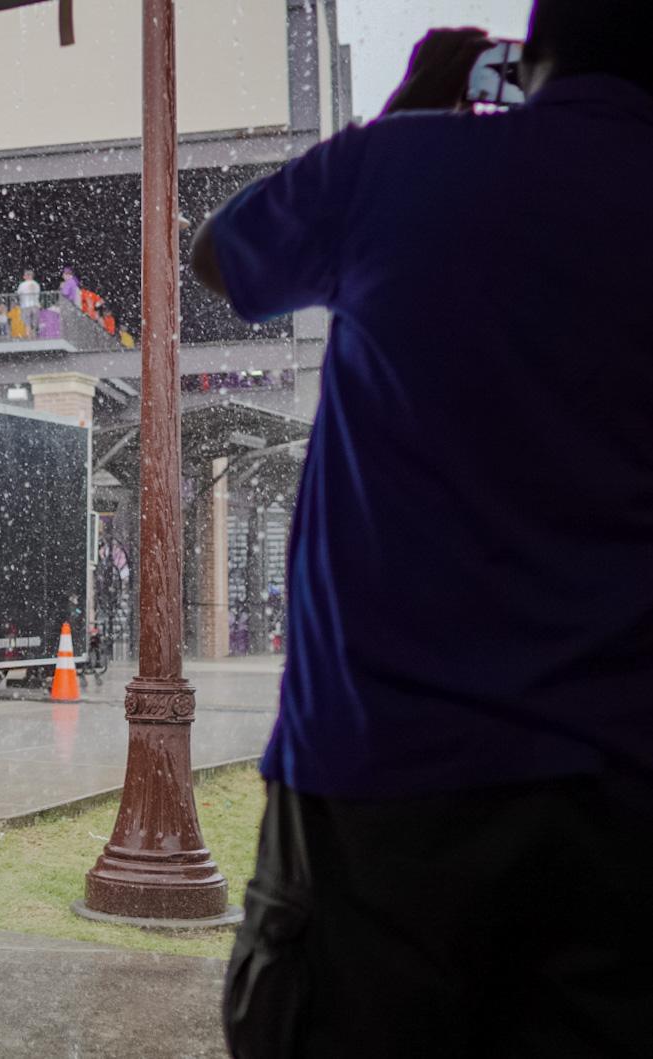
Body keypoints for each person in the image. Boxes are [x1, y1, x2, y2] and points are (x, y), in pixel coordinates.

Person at [191, 2, 653, 1055]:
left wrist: (404, 114)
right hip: (626, 804)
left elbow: (222, 258)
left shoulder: (406, 166)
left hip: (378, 786)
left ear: (524, 56)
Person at [16, 268, 41, 339]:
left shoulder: (22, 284)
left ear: (26, 276)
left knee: (27, 322)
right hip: (35, 304)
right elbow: (38, 294)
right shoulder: (36, 284)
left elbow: (19, 293)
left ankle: (29, 335)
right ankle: (34, 335)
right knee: (34, 322)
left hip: (25, 305)